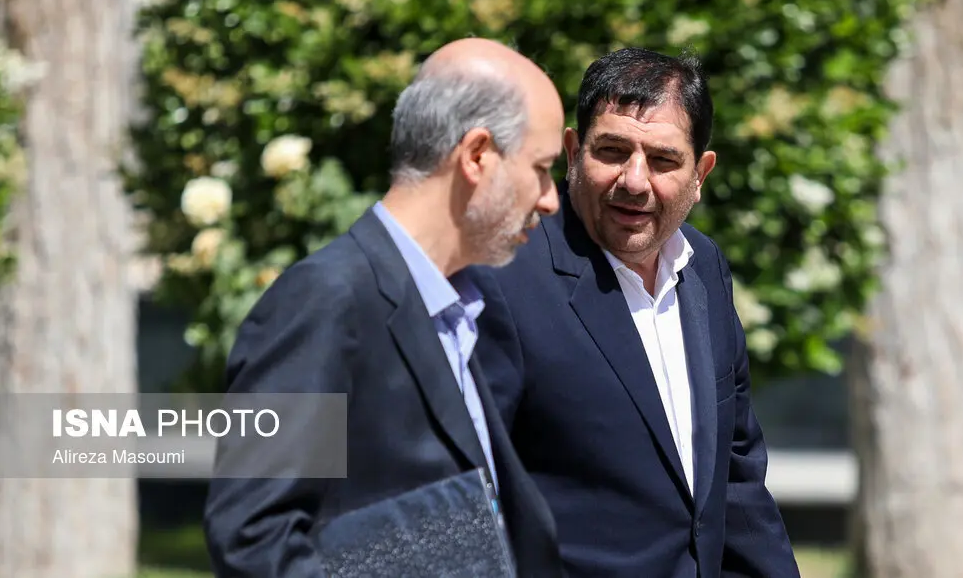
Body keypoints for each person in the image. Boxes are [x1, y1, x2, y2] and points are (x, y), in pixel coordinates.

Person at [202, 37, 566, 577]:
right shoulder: (325, 299)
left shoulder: (460, 308)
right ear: (477, 155)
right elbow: (252, 540)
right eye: (542, 167)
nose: (551, 198)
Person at [470, 47, 801, 577]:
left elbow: (736, 482)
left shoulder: (704, 266)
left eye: (664, 160)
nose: (634, 180)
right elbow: (464, 489)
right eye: (612, 151)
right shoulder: (503, 274)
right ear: (573, 152)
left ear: (701, 173)